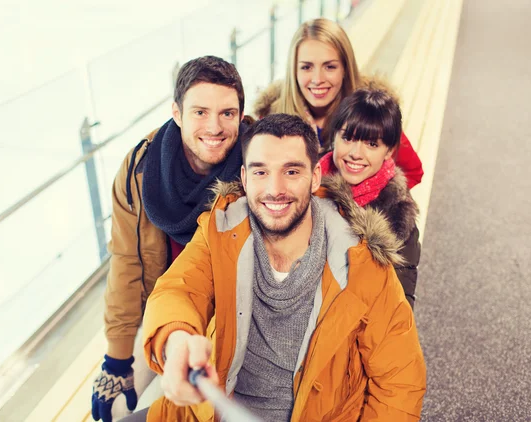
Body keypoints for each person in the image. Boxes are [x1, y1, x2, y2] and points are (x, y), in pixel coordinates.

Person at [138, 114, 426, 421]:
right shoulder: (219, 231)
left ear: (315, 177)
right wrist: (175, 338)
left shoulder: (363, 262)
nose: (275, 189)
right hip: (212, 412)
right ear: (245, 179)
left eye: (291, 171)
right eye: (261, 172)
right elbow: (178, 289)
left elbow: (399, 382)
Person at [91, 55, 249, 422]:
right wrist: (116, 358)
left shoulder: (253, 168)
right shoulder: (139, 172)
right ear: (176, 113)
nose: (214, 126)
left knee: (176, 403)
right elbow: (126, 263)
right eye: (200, 112)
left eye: (227, 113)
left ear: (241, 116)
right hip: (163, 310)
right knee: (112, 407)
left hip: (222, 318)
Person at [253, 17, 424, 189]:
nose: (317, 79)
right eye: (306, 67)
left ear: (345, 68)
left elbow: (412, 171)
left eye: (330, 67)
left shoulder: (370, 113)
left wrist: (361, 201)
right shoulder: (270, 119)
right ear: (294, 71)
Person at [319, 87, 421, 309]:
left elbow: (399, 305)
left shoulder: (398, 215)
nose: (356, 153)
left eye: (372, 144)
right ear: (334, 137)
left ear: (388, 151)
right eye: (347, 138)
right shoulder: (305, 180)